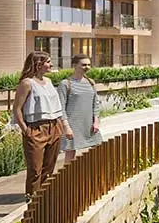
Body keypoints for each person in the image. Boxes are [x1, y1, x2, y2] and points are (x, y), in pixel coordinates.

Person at [12, 51, 69, 194]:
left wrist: (60, 125)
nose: (51, 65)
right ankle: (32, 201)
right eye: (48, 62)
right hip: (36, 128)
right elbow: (17, 109)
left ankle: (44, 201)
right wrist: (26, 130)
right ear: (38, 64)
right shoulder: (27, 83)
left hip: (54, 126)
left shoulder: (48, 82)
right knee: (35, 170)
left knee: (49, 169)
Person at [58, 55, 102, 163]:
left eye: (89, 64)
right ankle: (68, 174)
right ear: (74, 65)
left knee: (99, 149)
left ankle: (92, 172)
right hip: (72, 125)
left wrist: (96, 122)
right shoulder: (65, 84)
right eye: (83, 65)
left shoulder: (91, 82)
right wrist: (66, 128)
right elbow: (61, 108)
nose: (87, 67)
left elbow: (96, 103)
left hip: (89, 124)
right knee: (70, 154)